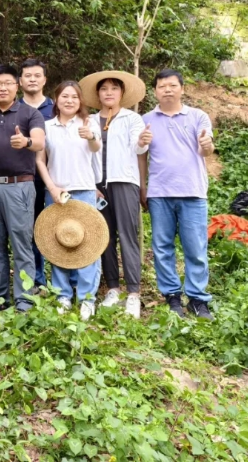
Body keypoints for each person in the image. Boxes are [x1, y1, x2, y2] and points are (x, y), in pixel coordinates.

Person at [0, 64, 46, 312]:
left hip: (20, 187)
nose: (3, 88)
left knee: (22, 243)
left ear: (17, 86)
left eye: (8, 83)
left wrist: (25, 141)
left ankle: (24, 299)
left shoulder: (29, 114)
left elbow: (39, 143)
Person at [141, 69, 214, 320]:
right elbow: (141, 155)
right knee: (162, 247)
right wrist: (143, 187)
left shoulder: (197, 116)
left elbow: (207, 149)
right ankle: (172, 296)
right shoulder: (146, 119)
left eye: (172, 85)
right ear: (155, 91)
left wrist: (207, 146)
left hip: (193, 192)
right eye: (162, 86)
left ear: (182, 88)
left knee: (195, 247)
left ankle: (197, 299)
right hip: (160, 192)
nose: (167, 90)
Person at [79, 71, 148, 319]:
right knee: (103, 237)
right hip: (97, 185)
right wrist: (91, 182)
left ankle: (133, 293)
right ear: (98, 95)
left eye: (114, 88)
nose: (109, 92)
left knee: (128, 235)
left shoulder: (132, 119)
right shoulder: (89, 120)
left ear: (121, 93)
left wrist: (143, 141)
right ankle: (113, 288)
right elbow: (85, 154)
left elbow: (138, 148)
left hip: (124, 182)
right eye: (104, 89)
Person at [35, 81, 102, 320]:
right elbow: (40, 160)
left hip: (83, 190)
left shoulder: (88, 123)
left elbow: (95, 148)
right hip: (56, 194)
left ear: (80, 101)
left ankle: (87, 298)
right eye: (65, 96)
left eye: (74, 97)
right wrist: (51, 187)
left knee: (88, 246)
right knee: (57, 244)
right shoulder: (46, 126)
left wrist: (91, 135)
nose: (70, 100)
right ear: (56, 99)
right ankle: (63, 294)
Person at [17, 58, 55, 288]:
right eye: (28, 76)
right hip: (23, 180)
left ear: (44, 80)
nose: (32, 79)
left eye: (37, 75)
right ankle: (37, 280)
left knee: (56, 228)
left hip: (54, 178)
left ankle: (64, 280)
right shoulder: (14, 108)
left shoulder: (57, 107)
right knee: (31, 231)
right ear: (20, 81)